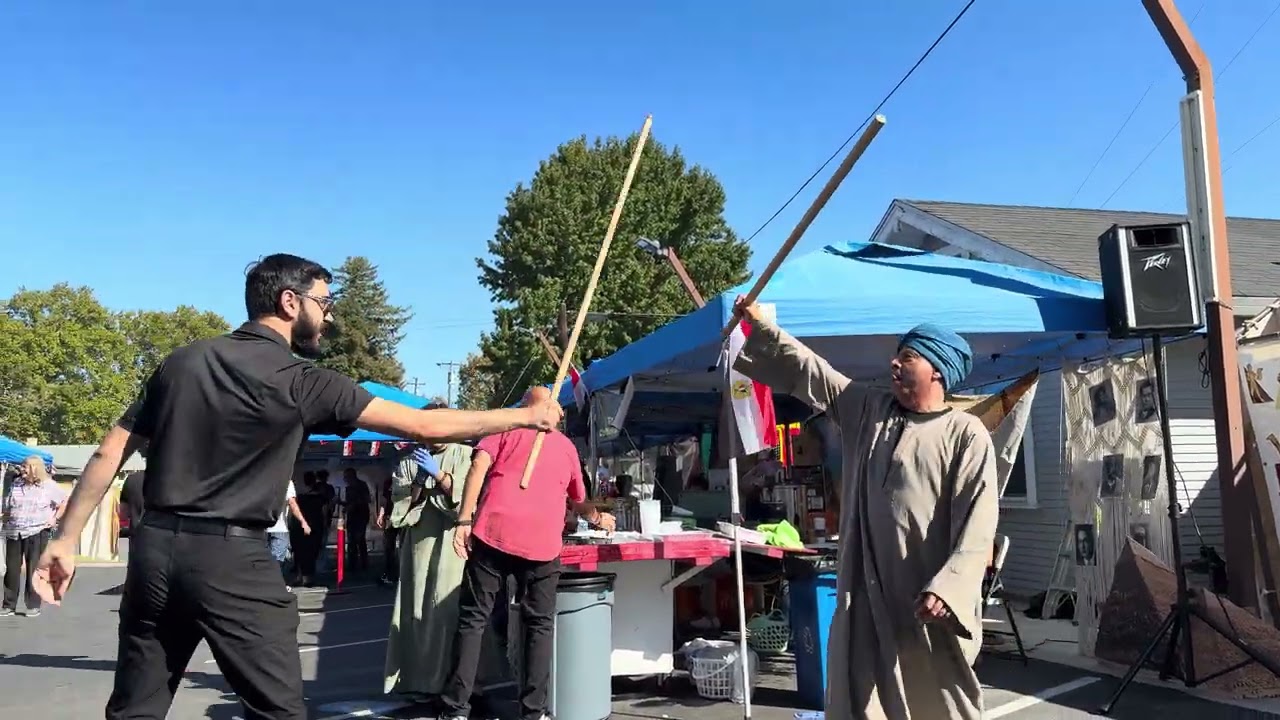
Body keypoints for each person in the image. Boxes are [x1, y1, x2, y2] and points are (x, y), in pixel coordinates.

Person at [32, 253, 565, 720]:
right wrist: (523, 418)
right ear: (291, 302)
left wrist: (64, 540)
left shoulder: (182, 361)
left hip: (153, 552)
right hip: (231, 559)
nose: (327, 317)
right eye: (324, 304)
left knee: (136, 707)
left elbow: (109, 451)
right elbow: (424, 426)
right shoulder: (303, 380)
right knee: (278, 709)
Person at [729, 296, 997, 720]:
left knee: (937, 700)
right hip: (866, 595)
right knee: (860, 696)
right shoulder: (870, 410)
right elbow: (813, 372)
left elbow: (979, 523)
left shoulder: (965, 434)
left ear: (938, 369)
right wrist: (760, 326)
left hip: (925, 599)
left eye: (907, 357)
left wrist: (948, 589)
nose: (894, 364)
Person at [438, 386, 616, 720]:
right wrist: (598, 517)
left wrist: (464, 518)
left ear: (525, 406)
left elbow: (478, 467)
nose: (561, 414)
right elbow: (579, 503)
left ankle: (456, 708)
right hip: (541, 545)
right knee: (539, 627)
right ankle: (532, 712)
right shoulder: (563, 447)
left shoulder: (506, 428)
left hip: (494, 533)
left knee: (474, 619)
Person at [2, 455, 67, 618]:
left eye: (25, 467)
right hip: (14, 531)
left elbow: (64, 502)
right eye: (22, 467)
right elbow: (9, 505)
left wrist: (54, 518)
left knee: (33, 569)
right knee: (11, 570)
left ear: (34, 468)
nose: (21, 470)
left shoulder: (49, 486)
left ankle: (33, 605)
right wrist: (5, 515)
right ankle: (8, 605)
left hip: (37, 531)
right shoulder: (16, 483)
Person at [269, 479, 309, 589]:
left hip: (262, 527)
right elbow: (292, 503)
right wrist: (303, 522)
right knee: (280, 559)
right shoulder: (286, 481)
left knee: (264, 559)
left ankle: (267, 586)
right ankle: (276, 586)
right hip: (279, 527)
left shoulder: (261, 479)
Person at [342, 468, 372, 572]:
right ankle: (352, 565)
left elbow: (367, 499)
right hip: (352, 517)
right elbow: (348, 503)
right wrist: (342, 504)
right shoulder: (348, 488)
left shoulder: (361, 485)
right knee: (351, 541)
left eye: (346, 476)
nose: (345, 479)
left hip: (361, 516)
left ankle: (364, 564)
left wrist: (353, 505)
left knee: (360, 539)